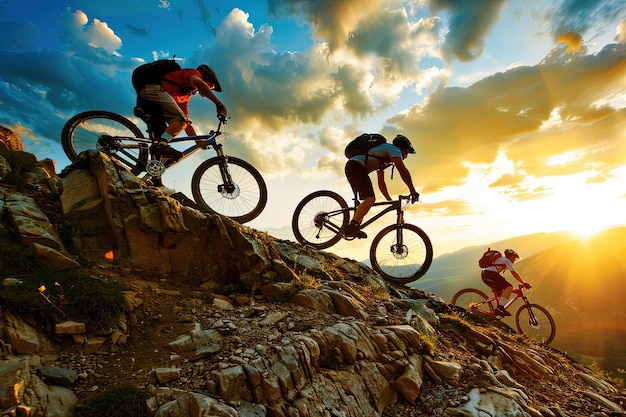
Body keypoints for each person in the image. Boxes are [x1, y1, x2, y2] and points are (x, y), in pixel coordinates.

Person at [136, 64, 228, 179]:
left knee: (161, 137)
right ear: (207, 78)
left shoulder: (185, 95)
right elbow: (199, 83)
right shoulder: (194, 73)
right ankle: (161, 146)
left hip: (150, 99)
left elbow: (185, 121)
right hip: (154, 89)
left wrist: (197, 140)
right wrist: (218, 103)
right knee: (166, 139)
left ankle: (155, 179)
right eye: (212, 87)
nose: (210, 89)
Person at [344, 134, 420, 238]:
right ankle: (351, 227)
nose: (405, 156)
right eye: (406, 152)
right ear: (401, 148)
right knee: (370, 199)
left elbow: (381, 182)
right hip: (356, 167)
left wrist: (389, 200)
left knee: (363, 207)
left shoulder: (384, 156)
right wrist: (412, 190)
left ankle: (352, 228)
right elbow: (403, 171)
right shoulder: (393, 149)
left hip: (353, 167)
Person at [480, 249, 530, 317]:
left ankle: (496, 312)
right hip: (490, 274)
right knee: (509, 287)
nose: (514, 260)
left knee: (502, 293)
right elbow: (514, 273)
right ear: (511, 257)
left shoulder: (502, 260)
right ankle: (500, 308)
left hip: (485, 275)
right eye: (514, 258)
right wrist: (524, 283)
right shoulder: (506, 261)